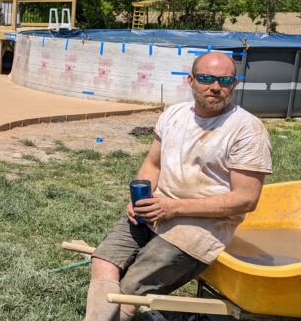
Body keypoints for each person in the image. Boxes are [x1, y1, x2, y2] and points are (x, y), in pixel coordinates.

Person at [84, 52, 273, 321]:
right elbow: (153, 164)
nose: (216, 87)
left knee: (131, 288)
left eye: (225, 80)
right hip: (154, 210)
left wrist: (172, 208)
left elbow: (245, 199)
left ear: (234, 84)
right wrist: (142, 198)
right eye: (206, 78)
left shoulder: (247, 130)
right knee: (104, 261)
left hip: (201, 227)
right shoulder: (173, 114)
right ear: (191, 80)